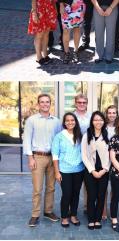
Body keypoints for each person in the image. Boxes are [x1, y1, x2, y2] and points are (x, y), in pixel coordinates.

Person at [23, 93, 62, 227]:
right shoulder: (32, 120)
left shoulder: (56, 121)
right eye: (42, 102)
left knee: (51, 187)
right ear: (38, 104)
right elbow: (26, 139)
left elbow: (59, 139)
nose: (45, 104)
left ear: (50, 104)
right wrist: (30, 158)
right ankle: (35, 214)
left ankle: (48, 211)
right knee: (37, 189)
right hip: (37, 157)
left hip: (52, 157)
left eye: (47, 102)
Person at [51, 112, 85, 228]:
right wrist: (56, 172)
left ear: (75, 122)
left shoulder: (80, 135)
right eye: (67, 120)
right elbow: (55, 155)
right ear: (64, 123)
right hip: (64, 170)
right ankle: (64, 217)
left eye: (72, 120)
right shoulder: (59, 136)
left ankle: (73, 215)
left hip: (79, 169)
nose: (70, 122)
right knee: (66, 194)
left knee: (76, 194)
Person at [81, 111, 110, 230]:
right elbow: (83, 155)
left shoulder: (107, 135)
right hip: (90, 171)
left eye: (100, 120)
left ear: (104, 121)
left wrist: (104, 169)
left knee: (101, 195)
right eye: (96, 120)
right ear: (92, 121)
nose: (98, 122)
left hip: (104, 170)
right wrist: (92, 170)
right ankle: (91, 219)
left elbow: (110, 155)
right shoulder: (86, 135)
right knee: (91, 196)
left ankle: (98, 219)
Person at [27, 0, 57, 65]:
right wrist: (34, 13)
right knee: (39, 34)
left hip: (50, 10)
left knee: (46, 34)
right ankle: (39, 57)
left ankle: (45, 55)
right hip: (39, 10)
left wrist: (55, 9)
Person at [102, 105, 118, 220]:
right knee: (104, 187)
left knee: (114, 188)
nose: (111, 115)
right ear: (106, 114)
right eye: (109, 112)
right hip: (104, 160)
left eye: (114, 113)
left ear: (116, 114)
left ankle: (113, 210)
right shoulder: (103, 127)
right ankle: (103, 210)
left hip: (116, 161)